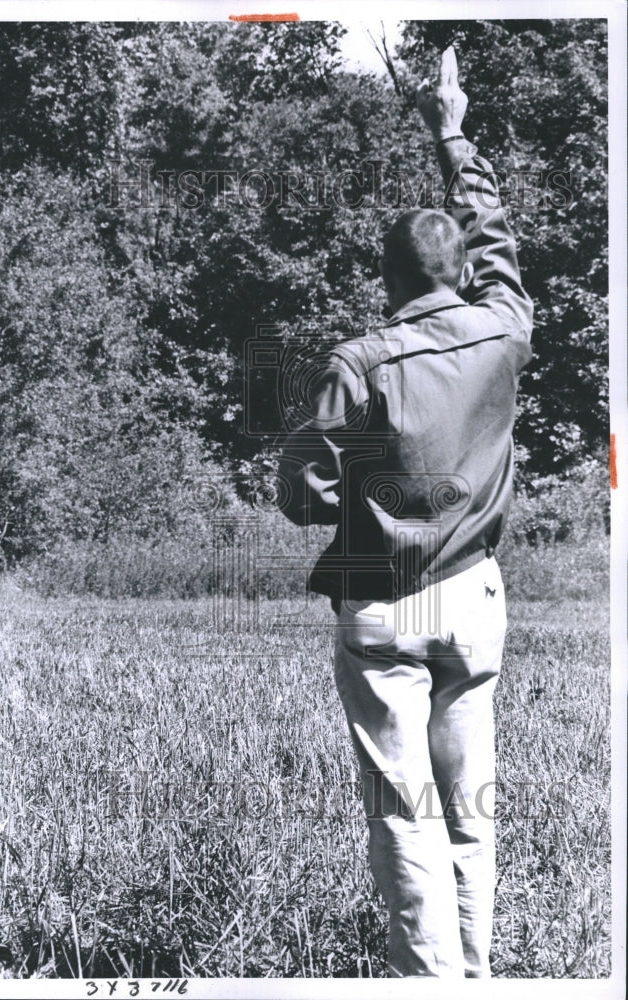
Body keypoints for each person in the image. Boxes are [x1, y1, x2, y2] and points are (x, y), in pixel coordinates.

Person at [276, 47, 533, 978]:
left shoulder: (362, 362)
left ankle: (429, 985)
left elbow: (305, 493)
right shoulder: (507, 325)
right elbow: (497, 235)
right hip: (473, 594)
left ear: (387, 276)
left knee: (405, 811)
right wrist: (450, 127)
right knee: (471, 809)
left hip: (388, 598)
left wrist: (346, 495)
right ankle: (474, 975)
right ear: (460, 267)